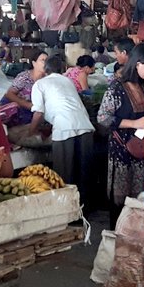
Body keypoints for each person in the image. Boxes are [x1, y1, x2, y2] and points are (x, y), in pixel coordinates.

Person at [98, 43, 144, 227]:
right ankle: (116, 235)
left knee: (139, 196)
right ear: (138, 64)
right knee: (120, 197)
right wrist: (134, 123)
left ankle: (134, 235)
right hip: (122, 152)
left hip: (141, 151)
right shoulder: (117, 88)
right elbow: (103, 118)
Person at [29, 56, 95, 198]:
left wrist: (30, 132)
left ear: (45, 70)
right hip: (85, 126)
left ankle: (68, 210)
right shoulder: (67, 81)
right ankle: (85, 210)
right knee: (84, 173)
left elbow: (38, 113)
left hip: (64, 128)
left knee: (64, 176)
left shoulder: (40, 84)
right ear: (63, 69)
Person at [1, 49, 48, 127]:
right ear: (34, 63)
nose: (46, 63)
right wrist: (27, 105)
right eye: (42, 60)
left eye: (47, 61)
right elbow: (9, 94)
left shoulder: (47, 80)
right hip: (18, 108)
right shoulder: (24, 77)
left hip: (33, 111)